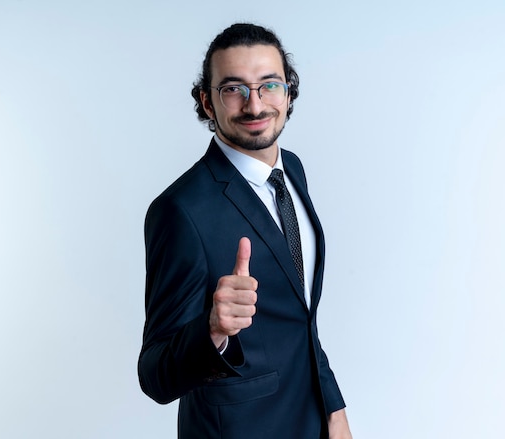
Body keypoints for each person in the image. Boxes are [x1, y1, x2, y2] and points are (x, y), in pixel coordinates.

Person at [138, 23, 353, 438]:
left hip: (311, 422)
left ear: (288, 93)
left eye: (269, 85)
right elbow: (155, 376)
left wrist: (334, 409)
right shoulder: (180, 211)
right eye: (233, 89)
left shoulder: (292, 170)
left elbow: (302, 321)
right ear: (207, 101)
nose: (255, 106)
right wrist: (213, 330)